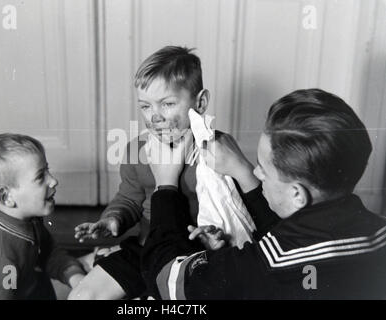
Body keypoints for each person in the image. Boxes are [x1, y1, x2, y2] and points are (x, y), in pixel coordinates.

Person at [141, 88, 386, 299]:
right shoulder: (377, 232)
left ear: (297, 194)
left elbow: (168, 280)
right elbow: (297, 234)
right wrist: (242, 171)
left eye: (262, 169)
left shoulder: (268, 267)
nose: (256, 173)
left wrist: (165, 186)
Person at [69, 46, 230, 300]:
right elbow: (129, 200)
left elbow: (231, 210)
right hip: (146, 251)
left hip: (195, 257)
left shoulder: (217, 151)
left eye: (167, 104)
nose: (154, 116)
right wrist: (113, 220)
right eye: (145, 106)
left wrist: (215, 233)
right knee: (81, 297)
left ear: (199, 103)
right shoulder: (137, 151)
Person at [0, 133, 86, 300]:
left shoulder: (25, 218)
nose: (53, 180)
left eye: (48, 170)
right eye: (40, 176)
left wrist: (75, 277)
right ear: (7, 197)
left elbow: (49, 253)